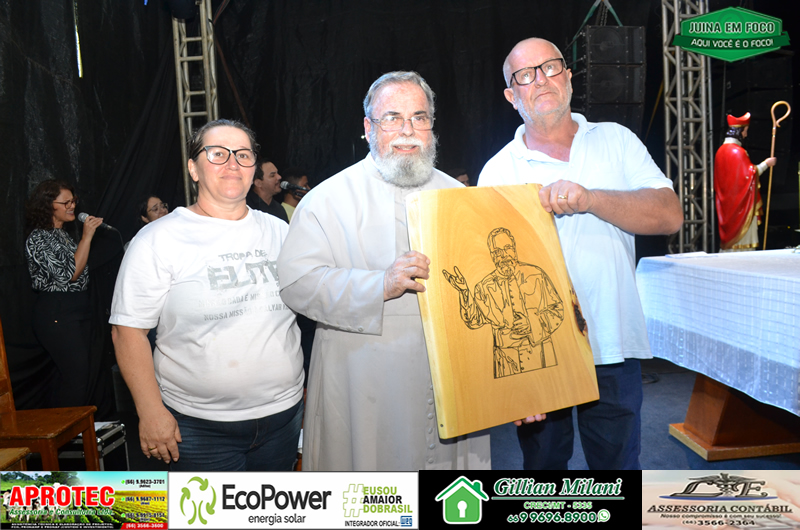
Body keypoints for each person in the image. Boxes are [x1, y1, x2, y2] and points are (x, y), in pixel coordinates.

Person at [479, 38, 683, 470]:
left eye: (550, 67)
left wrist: (591, 198)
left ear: (569, 77)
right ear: (511, 96)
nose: (541, 79)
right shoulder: (497, 171)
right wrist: (511, 380)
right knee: (544, 479)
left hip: (613, 343)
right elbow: (487, 274)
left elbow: (669, 216)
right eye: (525, 75)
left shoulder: (617, 140)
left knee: (617, 472)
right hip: (538, 353)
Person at [277, 71, 491, 471]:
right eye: (392, 118)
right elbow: (297, 284)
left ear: (432, 126)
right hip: (363, 381)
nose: (407, 130)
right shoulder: (328, 199)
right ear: (368, 127)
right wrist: (380, 284)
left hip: (453, 378)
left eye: (419, 117)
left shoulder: (460, 197)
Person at [110, 119, 304, 471]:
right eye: (217, 154)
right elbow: (128, 331)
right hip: (198, 428)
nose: (232, 164)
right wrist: (150, 411)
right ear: (193, 168)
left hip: (282, 418)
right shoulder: (157, 240)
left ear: (253, 168)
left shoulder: (281, 231)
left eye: (243, 155)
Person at [443, 227, 564, 378]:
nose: (504, 255)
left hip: (542, 352)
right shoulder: (484, 287)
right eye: (498, 251)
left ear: (514, 248)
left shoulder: (536, 274)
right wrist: (464, 292)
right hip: (507, 359)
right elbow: (474, 321)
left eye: (507, 248)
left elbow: (558, 310)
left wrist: (532, 323)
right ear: (492, 255)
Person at [24, 179, 104, 407]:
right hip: (57, 312)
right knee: (76, 377)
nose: (72, 206)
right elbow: (71, 274)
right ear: (48, 205)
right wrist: (87, 237)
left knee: (79, 376)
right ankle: (68, 429)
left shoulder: (63, 236)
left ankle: (71, 426)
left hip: (76, 310)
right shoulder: (39, 238)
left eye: (73, 201)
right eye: (66, 202)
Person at [714, 113, 776, 251]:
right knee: (743, 242)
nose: (746, 135)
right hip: (740, 205)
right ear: (739, 131)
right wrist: (766, 164)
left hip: (726, 205)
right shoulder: (738, 152)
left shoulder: (720, 151)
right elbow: (749, 175)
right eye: (745, 131)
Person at [246, 159, 289, 223]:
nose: (279, 177)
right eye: (272, 175)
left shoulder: (279, 209)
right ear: (258, 183)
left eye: (277, 173)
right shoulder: (246, 207)